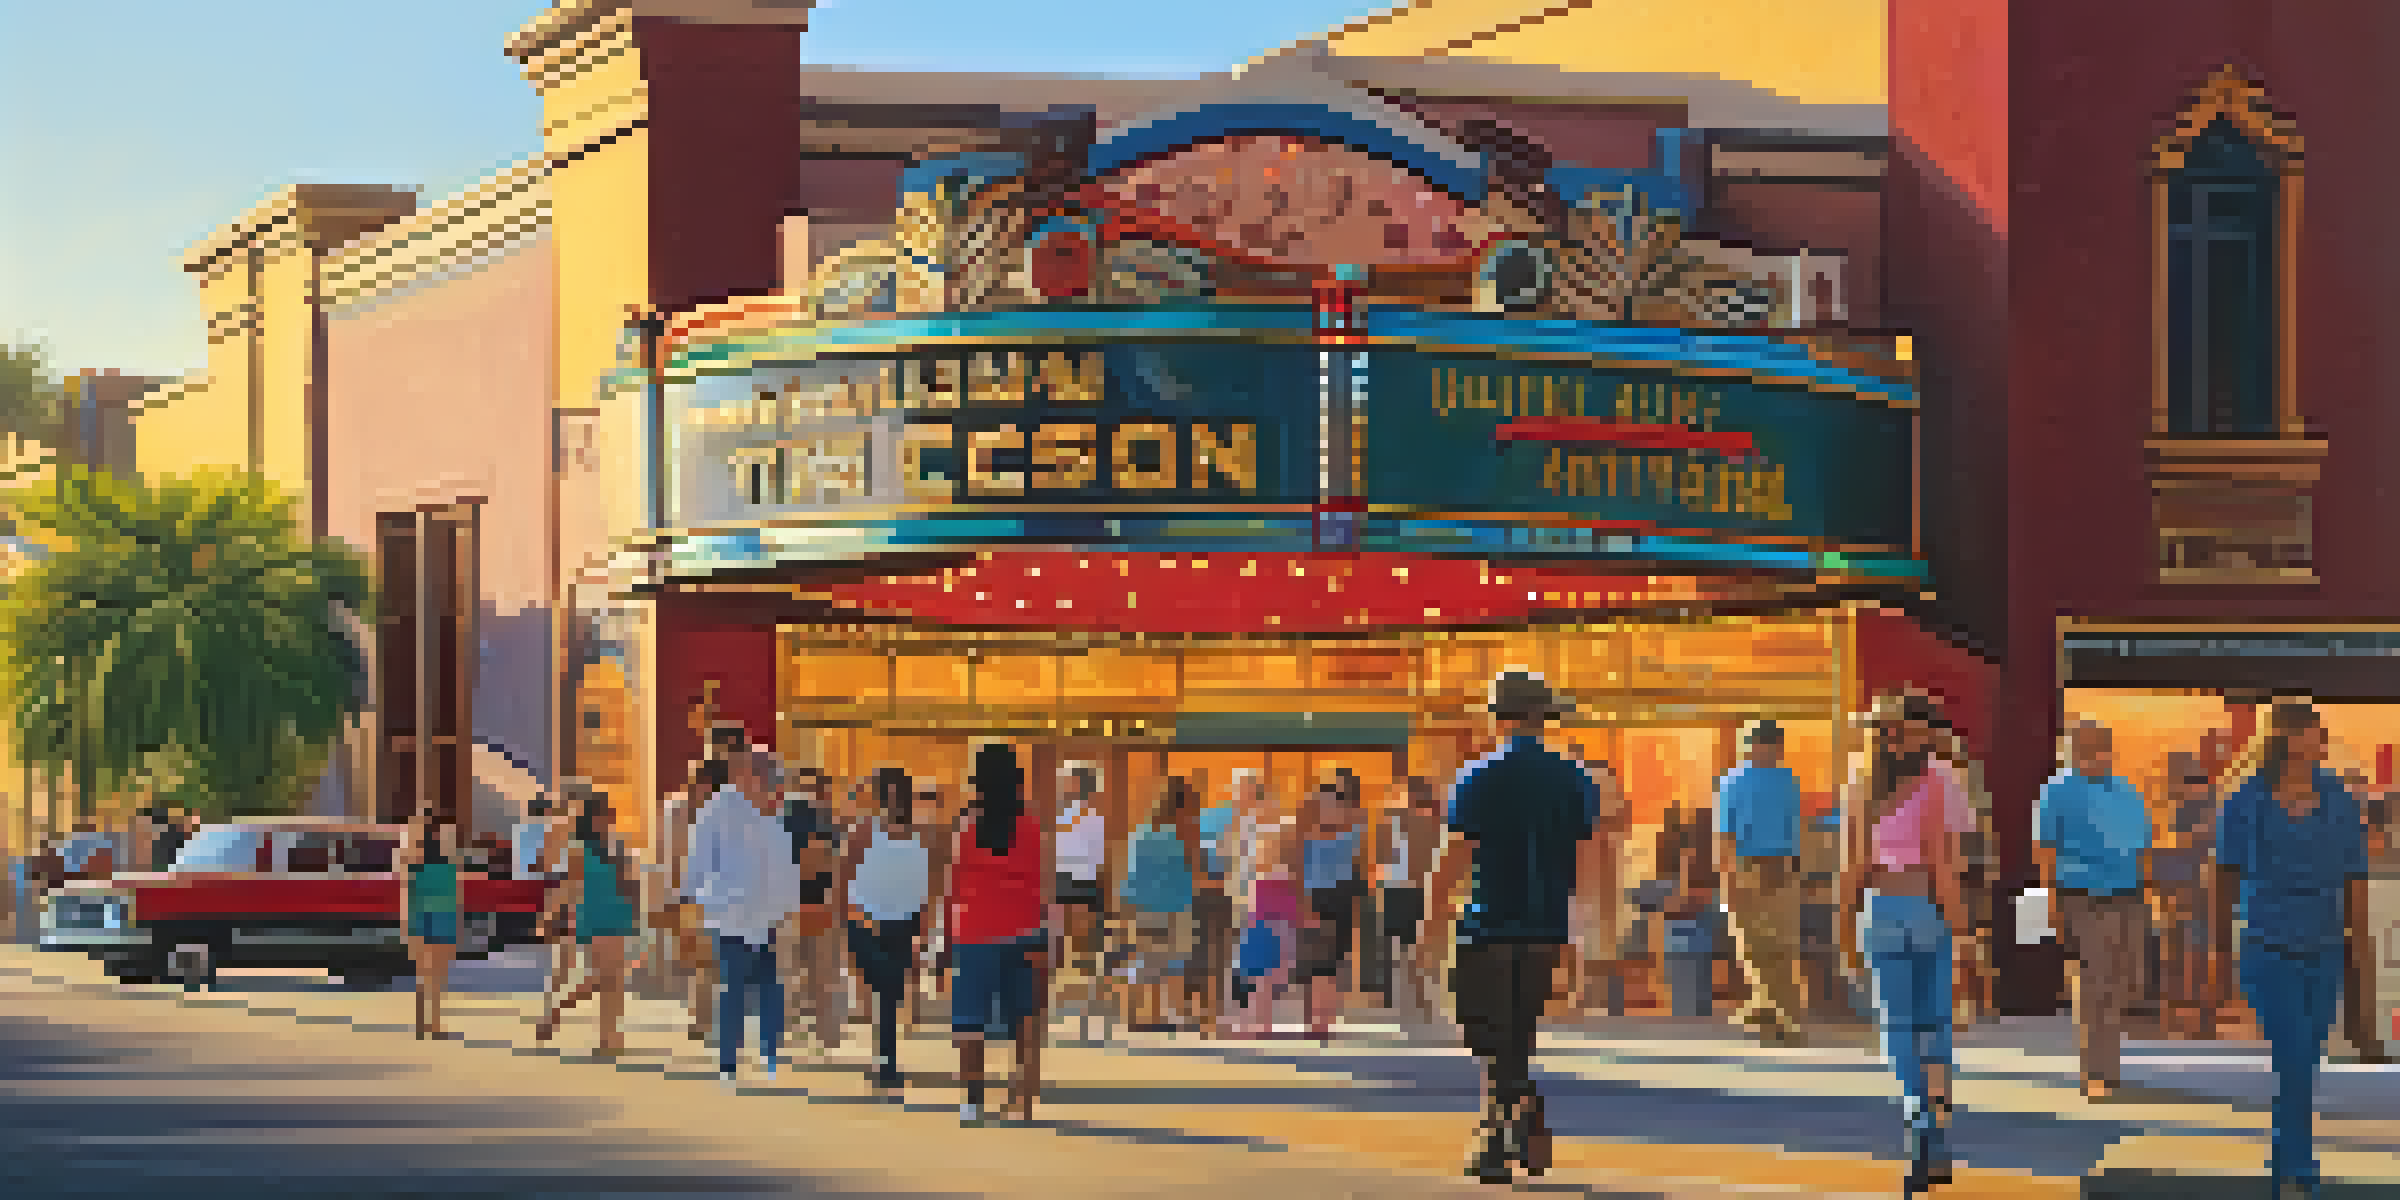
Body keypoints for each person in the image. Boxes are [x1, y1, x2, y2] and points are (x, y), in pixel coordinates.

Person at [1422, 671, 1604, 1183]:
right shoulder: (1575, 778)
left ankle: (1496, 1138)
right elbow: (1592, 857)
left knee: (1483, 1029)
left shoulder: (1478, 775)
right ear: (1544, 718)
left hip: (1486, 923)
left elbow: (1454, 854)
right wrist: (1585, 933)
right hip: (1546, 925)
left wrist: (1429, 924)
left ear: (1496, 716)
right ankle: (1516, 1110)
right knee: (1517, 1032)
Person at [2217, 702, 2374, 1197]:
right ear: (2285, 736)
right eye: (2312, 729)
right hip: (2268, 944)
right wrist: (2216, 957)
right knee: (2293, 1055)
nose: (2320, 737)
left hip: (2325, 945)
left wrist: (2359, 960)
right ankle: (2297, 1172)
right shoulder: (2247, 801)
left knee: (2307, 1058)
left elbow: (2356, 883)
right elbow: (2223, 879)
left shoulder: (2340, 800)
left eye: (2320, 730)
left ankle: (2287, 1161)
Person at [1840, 691, 1975, 1196]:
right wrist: (1966, 937)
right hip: (1927, 910)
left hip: (1880, 909)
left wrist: (1843, 930)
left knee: (1897, 1028)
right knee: (1935, 1027)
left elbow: (1849, 870)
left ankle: (1916, 1118)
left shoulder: (1858, 787)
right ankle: (1936, 1138)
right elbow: (1945, 872)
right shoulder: (1939, 782)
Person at [2035, 719, 2154, 1099]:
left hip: (2129, 895)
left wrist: (2149, 893)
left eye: (2101, 746)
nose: (2094, 753)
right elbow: (2045, 851)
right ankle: (2095, 1072)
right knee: (2096, 982)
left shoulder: (2125, 790)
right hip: (2082, 894)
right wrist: (2050, 900)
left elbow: (2143, 847)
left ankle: (2108, 1065)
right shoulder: (2057, 790)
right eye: (2086, 746)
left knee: (2122, 981)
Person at [944, 741, 1052, 1125]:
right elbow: (1041, 883)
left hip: (974, 932)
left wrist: (943, 939)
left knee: (970, 1021)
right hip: (1022, 930)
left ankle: (972, 1103)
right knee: (1022, 1018)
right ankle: (1020, 1100)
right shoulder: (1030, 824)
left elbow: (952, 884)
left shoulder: (968, 824)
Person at [687, 748, 806, 1086]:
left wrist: (789, 907)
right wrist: (696, 898)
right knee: (733, 987)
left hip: (768, 914)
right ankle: (728, 1061)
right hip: (731, 913)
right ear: (746, 778)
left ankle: (769, 1054)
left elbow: (784, 860)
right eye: (767, 782)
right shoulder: (718, 810)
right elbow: (699, 858)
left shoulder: (772, 812)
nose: (773, 789)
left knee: (771, 986)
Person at [844, 766, 938, 1099]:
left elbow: (928, 886)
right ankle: (886, 1062)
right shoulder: (869, 832)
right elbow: (844, 878)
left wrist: (923, 927)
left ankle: (886, 1062)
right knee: (886, 993)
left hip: (892, 924)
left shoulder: (910, 834)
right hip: (877, 923)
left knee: (887, 996)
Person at [1716, 719, 1809, 1045]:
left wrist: (1727, 878)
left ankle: (1781, 1016)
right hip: (1783, 868)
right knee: (1782, 946)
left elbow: (1725, 836)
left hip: (1747, 867)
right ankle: (1767, 1010)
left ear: (1748, 745)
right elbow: (1797, 831)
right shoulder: (1790, 782)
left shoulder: (1732, 782)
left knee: (1754, 946)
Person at [537, 780, 641, 1055]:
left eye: (609, 812)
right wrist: (548, 916)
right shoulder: (579, 848)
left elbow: (631, 881)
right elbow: (570, 885)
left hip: (620, 915)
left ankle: (609, 1038)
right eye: (604, 812)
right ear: (592, 817)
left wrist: (639, 912)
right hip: (594, 916)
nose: (609, 817)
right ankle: (559, 1011)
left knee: (614, 980)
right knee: (603, 977)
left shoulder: (618, 845)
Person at [780, 762, 850, 1058]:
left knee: (790, 972)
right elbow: (838, 866)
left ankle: (787, 1031)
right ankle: (827, 1035)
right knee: (823, 973)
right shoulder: (829, 822)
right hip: (820, 905)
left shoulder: (783, 818)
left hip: (792, 906)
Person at [1120, 776, 1199, 1032]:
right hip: (1175, 905)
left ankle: (1142, 1016)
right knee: (1173, 963)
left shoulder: (1141, 834)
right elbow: (1193, 872)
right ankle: (1169, 1016)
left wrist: (1128, 905)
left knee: (1146, 961)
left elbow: (1132, 875)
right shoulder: (1184, 834)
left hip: (1145, 906)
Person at [2150, 752, 2221, 1038]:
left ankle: (2197, 1010)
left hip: (2201, 883)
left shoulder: (2203, 802)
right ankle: (2188, 1008)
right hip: (2189, 882)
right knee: (2184, 941)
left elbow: (2193, 840)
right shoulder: (2192, 803)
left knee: (2196, 944)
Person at [1298, 771, 1368, 1044]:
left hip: (1339, 897)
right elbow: (1299, 870)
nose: (1330, 806)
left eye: (1335, 800)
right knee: (1313, 964)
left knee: (1329, 963)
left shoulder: (1353, 831)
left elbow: (1359, 865)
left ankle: (1322, 1022)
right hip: (1315, 896)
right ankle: (1314, 1021)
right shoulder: (1308, 834)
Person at [1050, 763, 1116, 1044]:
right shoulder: (1065, 816)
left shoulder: (1092, 818)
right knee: (1057, 950)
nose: (1064, 784)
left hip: (1082, 885)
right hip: (1064, 883)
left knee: (1085, 953)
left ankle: (1088, 1013)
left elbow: (1098, 859)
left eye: (1069, 780)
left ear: (1079, 784)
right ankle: (1058, 1009)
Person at [1378, 777, 1445, 1033]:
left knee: (1401, 951)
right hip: (1419, 890)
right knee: (1418, 950)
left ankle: (1406, 1007)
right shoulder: (1430, 823)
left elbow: (1383, 855)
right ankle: (1420, 1005)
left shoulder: (1394, 819)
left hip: (1398, 888)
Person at [400, 810, 462, 1040]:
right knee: (434, 974)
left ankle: (424, 1023)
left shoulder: (415, 859)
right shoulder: (445, 859)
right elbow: (456, 894)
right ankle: (430, 1024)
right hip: (437, 916)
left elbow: (408, 892)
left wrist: (407, 924)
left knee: (426, 974)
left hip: (428, 916)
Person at [1188, 770, 1237, 1038]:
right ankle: (1208, 1016)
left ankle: (1208, 1015)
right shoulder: (1212, 820)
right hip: (1211, 895)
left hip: (1211, 896)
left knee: (1211, 956)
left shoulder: (1214, 819)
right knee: (1211, 956)